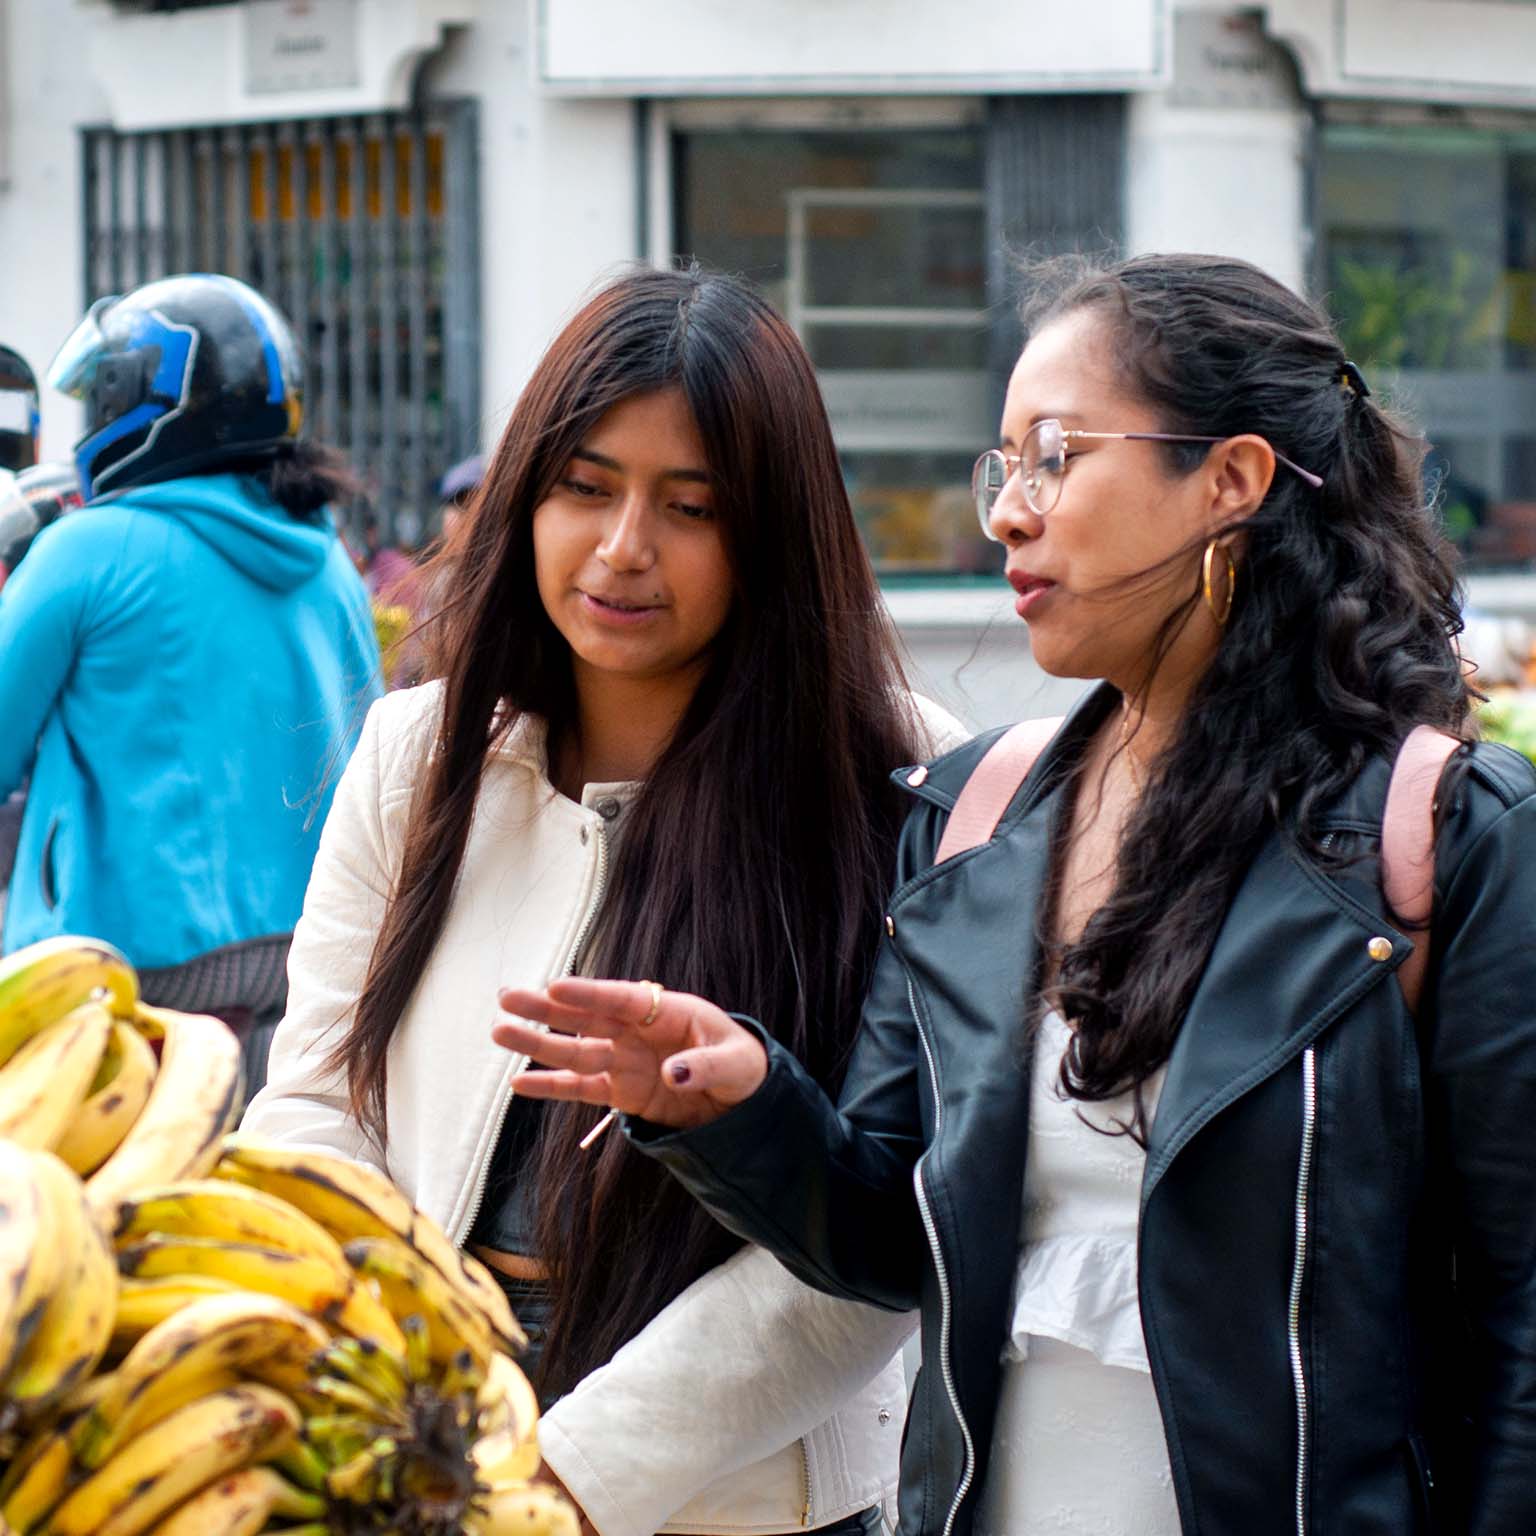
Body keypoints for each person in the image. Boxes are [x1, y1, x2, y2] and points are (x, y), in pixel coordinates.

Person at [495, 253, 1536, 1536]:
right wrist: (739, 1101)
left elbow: (1520, 1329)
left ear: (1230, 481)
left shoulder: (1444, 839)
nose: (1005, 513)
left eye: (1053, 455)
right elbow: (887, 1242)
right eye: (1003, 466)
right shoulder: (974, 815)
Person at [243, 265, 965, 1536]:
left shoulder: (897, 783)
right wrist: (414, 1392)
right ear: (524, 492)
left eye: (691, 507)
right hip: (425, 1435)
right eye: (585, 487)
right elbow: (312, 1102)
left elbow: (880, 1236)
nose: (624, 549)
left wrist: (568, 1476)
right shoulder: (422, 757)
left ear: (775, 534)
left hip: (746, 1495)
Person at [0, 274, 380, 1097]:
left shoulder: (86, 549)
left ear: (149, 405)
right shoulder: (329, 561)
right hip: (306, 972)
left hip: (117, 981)